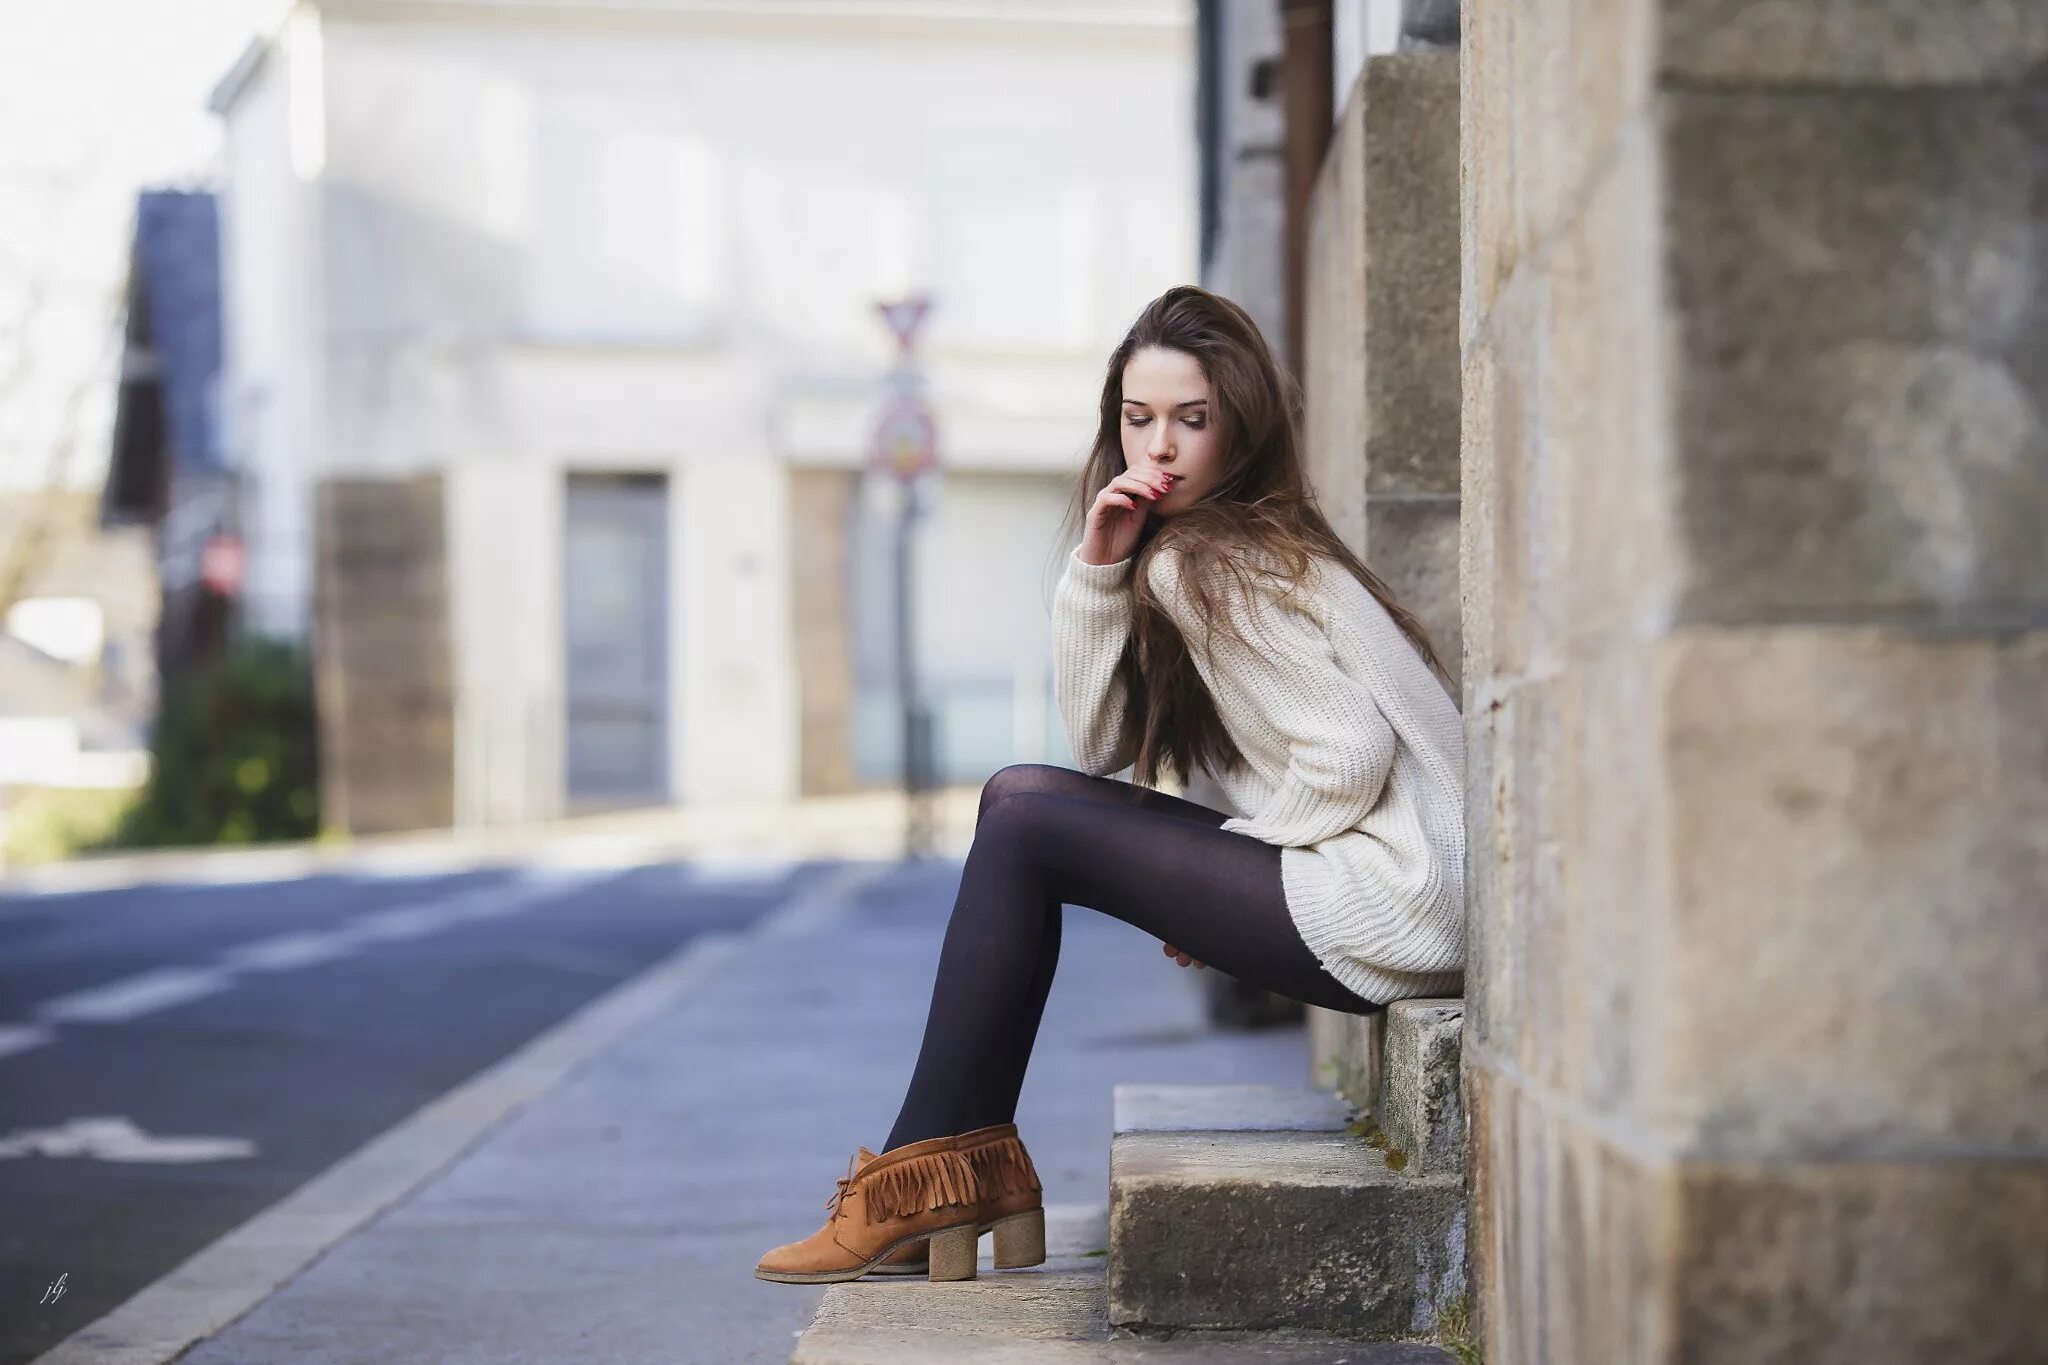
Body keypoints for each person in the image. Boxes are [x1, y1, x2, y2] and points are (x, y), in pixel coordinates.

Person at [754, 284, 1466, 1286]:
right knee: (1017, 804)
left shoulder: (1208, 561)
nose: (1159, 449)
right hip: (1411, 890)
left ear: (1241, 424)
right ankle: (948, 1174)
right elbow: (1100, 745)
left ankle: (916, 1185)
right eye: (1138, 420)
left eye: (1191, 419)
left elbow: (1342, 756)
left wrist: (1226, 862)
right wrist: (1095, 570)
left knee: (1023, 822)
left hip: (1388, 899)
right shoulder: (1250, 542)